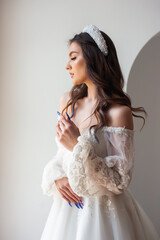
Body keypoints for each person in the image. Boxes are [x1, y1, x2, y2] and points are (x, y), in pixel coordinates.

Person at [40, 25, 160, 240]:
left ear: (93, 58)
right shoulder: (67, 101)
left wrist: (78, 144)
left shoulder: (118, 112)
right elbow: (61, 155)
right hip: (67, 211)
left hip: (104, 216)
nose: (67, 65)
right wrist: (57, 177)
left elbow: (120, 181)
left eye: (73, 57)